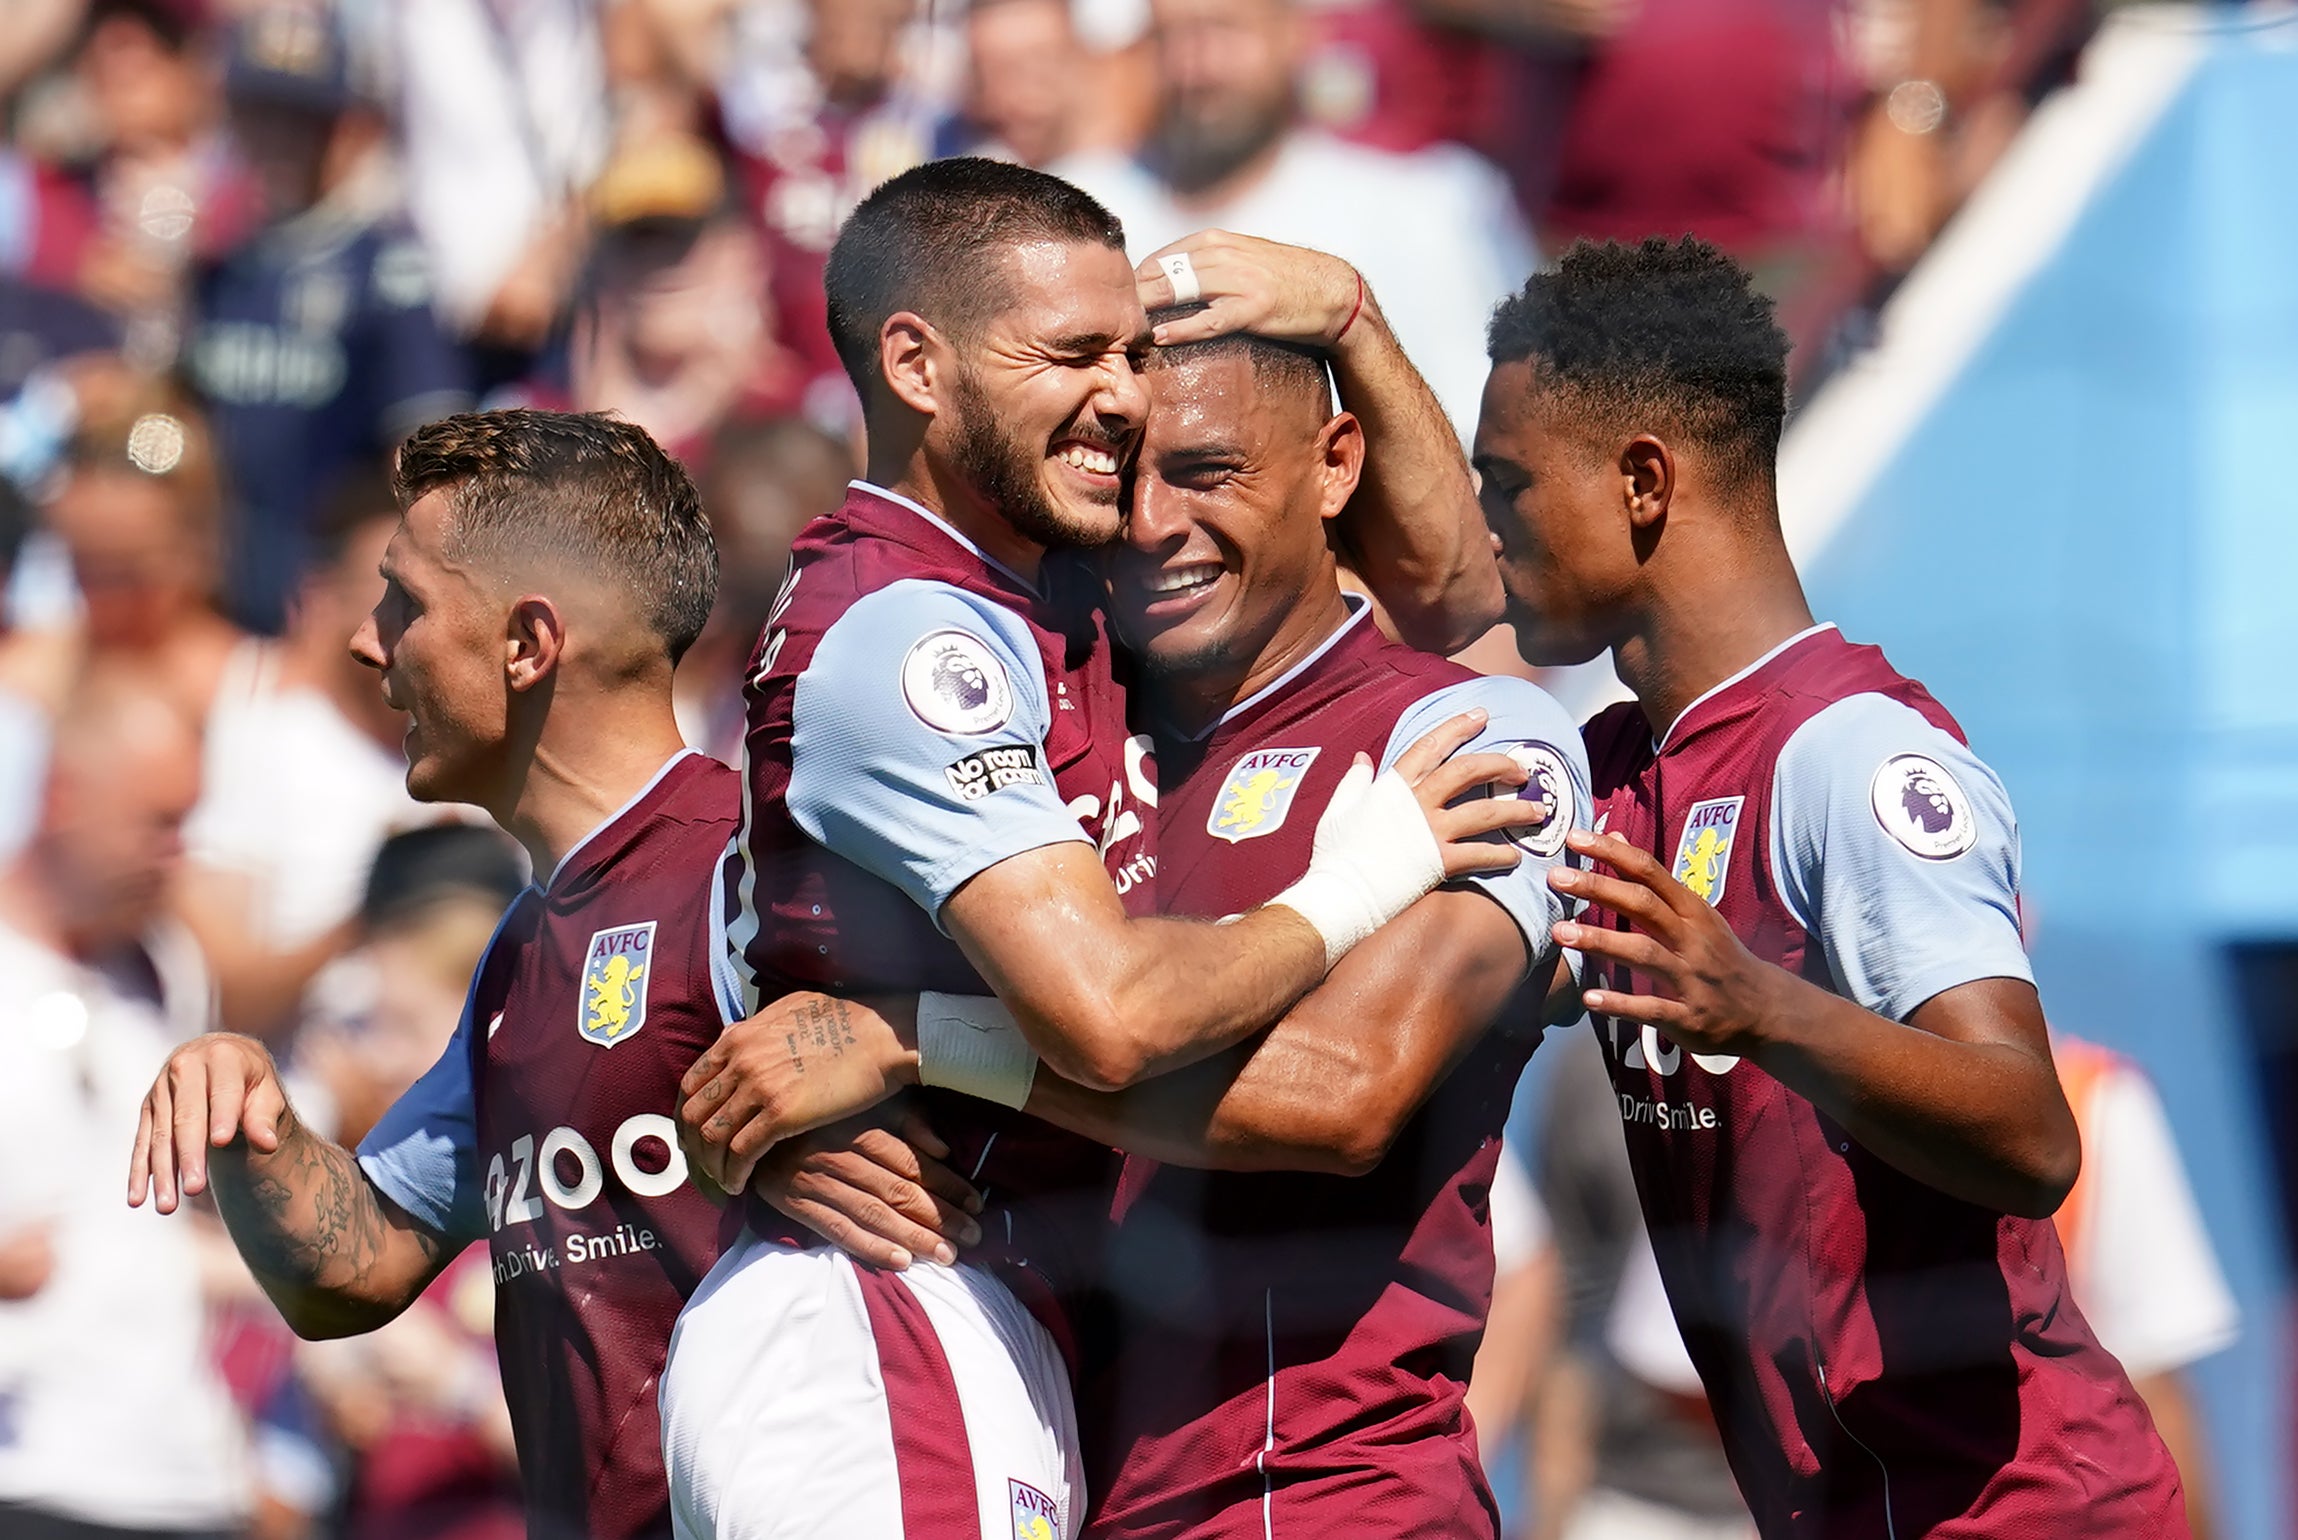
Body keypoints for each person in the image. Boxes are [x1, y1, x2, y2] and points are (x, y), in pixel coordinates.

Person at [659, 157, 1529, 1540]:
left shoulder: (1052, 610)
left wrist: (1350, 314)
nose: (1122, 412)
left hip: (1185, 1437)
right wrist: (1368, 871)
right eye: (1074, 356)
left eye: (1133, 359)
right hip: (889, 1321)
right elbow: (1108, 1021)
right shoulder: (921, 637)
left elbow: (1458, 587)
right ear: (917, 367)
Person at [1474, 236, 2187, 1534]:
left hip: (2011, 1510)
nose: (1487, 529)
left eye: (1508, 487)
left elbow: (2029, 1139)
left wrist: (1762, 1009)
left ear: (1642, 482)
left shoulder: (1850, 761)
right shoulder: (1621, 765)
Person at [127, 409, 737, 1540]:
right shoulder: (519, 953)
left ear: (527, 643)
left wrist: (899, 1049)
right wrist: (249, 1106)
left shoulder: (749, 879)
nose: (368, 643)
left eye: (404, 603)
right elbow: (345, 1269)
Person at [0, 673, 253, 1540]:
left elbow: (162, 1223)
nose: (177, 854)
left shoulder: (165, 969)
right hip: (32, 1474)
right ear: (64, 796)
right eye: (159, 823)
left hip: (187, 1479)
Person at [1056, 0, 1533, 435]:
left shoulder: (1419, 206)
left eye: (1224, 30)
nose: (1195, 66)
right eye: (1170, 37)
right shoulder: (1076, 204)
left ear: (1296, 37)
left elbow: (1481, 427)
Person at [186, 3, 474, 632]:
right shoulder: (213, 271)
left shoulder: (386, 269)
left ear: (342, 129)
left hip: (331, 603)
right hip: (216, 594)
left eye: (302, 119)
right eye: (262, 114)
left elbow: (431, 458)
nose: (279, 140)